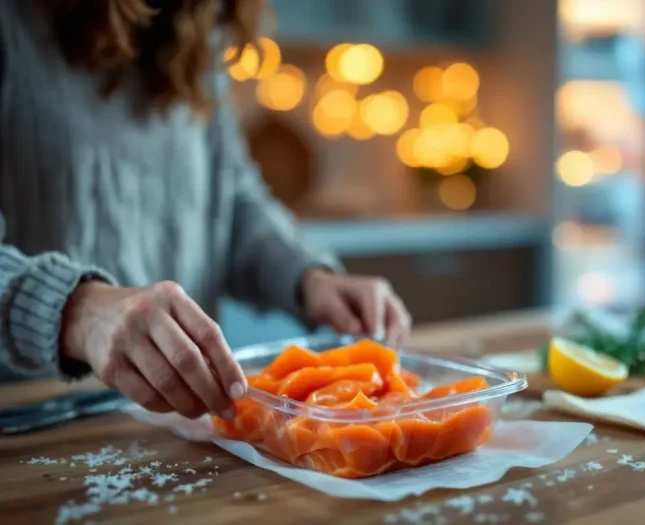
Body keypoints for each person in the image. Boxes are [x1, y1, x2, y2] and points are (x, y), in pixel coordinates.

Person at [0, 0, 411, 421]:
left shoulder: (196, 33)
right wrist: (78, 313)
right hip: (28, 423)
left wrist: (308, 278)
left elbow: (230, 198)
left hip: (181, 421)